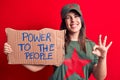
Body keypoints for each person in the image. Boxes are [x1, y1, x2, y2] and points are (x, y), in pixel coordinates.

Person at [4, 3, 112, 80]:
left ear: (81, 20)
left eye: (76, 16)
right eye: (68, 17)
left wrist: (103, 58)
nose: (73, 20)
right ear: (64, 22)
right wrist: (14, 54)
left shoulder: (91, 46)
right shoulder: (55, 42)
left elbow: (100, 77)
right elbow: (36, 68)